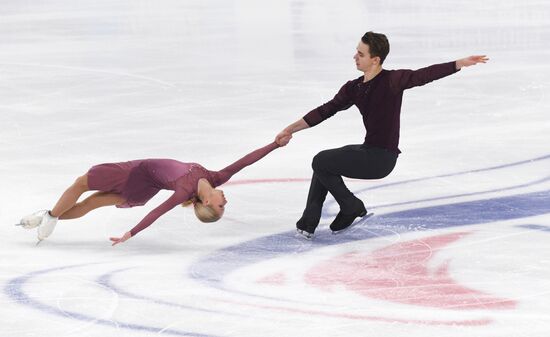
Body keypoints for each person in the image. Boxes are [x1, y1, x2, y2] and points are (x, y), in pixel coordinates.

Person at [276, 31, 488, 239]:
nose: (355, 56)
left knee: (321, 160)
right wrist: (289, 130)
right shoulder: (354, 87)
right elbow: (325, 110)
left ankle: (351, 206)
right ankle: (308, 223)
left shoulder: (392, 80)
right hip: (368, 150)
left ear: (375, 60)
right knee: (323, 163)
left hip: (382, 158)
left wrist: (458, 63)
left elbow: (424, 75)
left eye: (360, 53)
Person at [17, 138, 290, 245]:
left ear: (206, 202)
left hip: (133, 173)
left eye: (221, 207)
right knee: (90, 204)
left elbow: (158, 211)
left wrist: (131, 233)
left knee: (81, 185)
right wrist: (275, 145)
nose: (225, 202)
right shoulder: (216, 178)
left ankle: (50, 215)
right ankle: (47, 218)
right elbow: (246, 161)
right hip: (142, 188)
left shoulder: (184, 190)